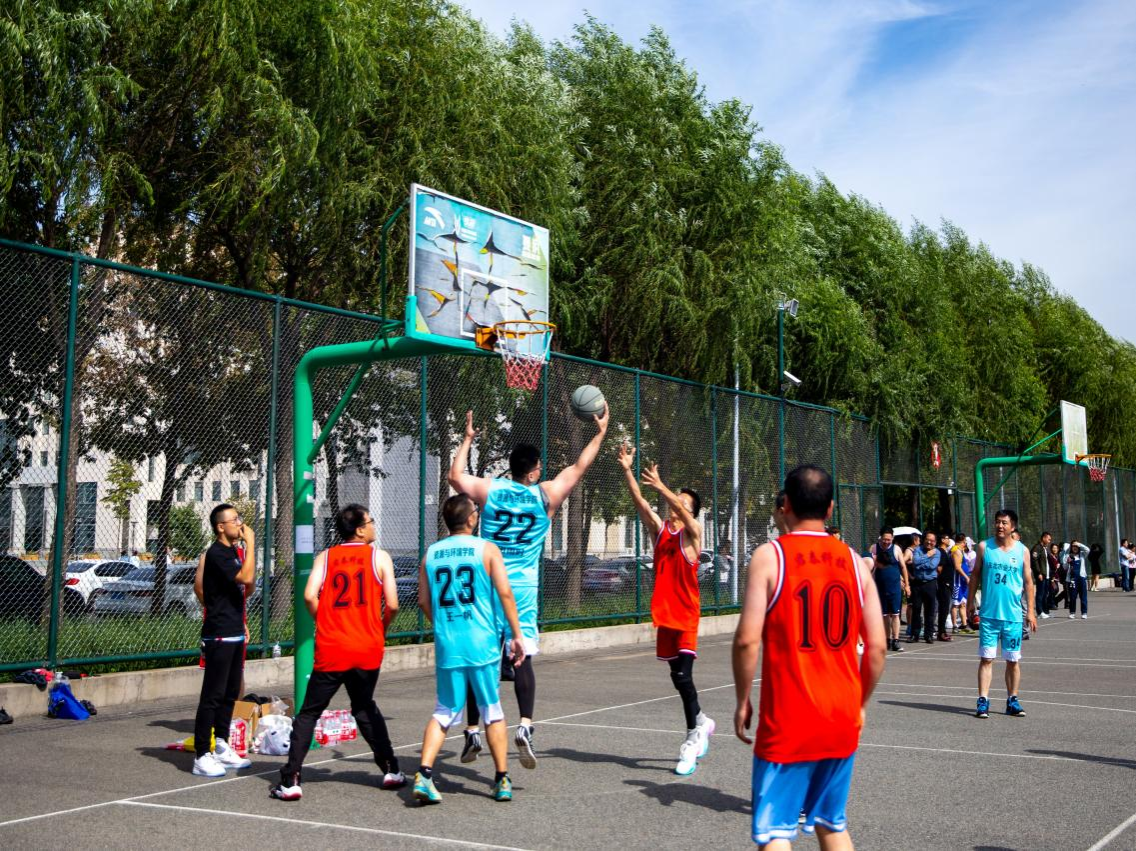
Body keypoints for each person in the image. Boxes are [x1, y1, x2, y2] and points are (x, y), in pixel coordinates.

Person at [732, 465, 886, 849]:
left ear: (785, 504)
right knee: (832, 824)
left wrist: (742, 700)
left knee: (775, 833)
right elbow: (877, 647)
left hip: (788, 720)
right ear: (831, 508)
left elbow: (747, 640)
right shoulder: (855, 562)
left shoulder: (770, 557)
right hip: (841, 716)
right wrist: (860, 704)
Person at [449, 405, 608, 769]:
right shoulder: (544, 495)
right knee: (523, 655)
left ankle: (472, 730)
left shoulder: (491, 489)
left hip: (488, 585)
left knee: (480, 658)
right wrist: (600, 432)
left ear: (512, 467)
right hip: (521, 589)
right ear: (534, 470)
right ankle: (524, 725)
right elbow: (579, 467)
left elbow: (455, 476)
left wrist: (468, 438)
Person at [270, 504, 402, 801]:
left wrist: (326, 619)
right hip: (366, 645)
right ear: (360, 529)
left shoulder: (326, 557)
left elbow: (308, 595)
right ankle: (391, 769)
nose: (373, 525)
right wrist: (380, 627)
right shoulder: (379, 557)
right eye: (370, 521)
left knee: (309, 713)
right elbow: (393, 605)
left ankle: (291, 779)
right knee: (364, 707)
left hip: (333, 646)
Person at [413, 494, 526, 804]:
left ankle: (424, 773)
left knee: (445, 710)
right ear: (472, 519)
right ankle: (502, 779)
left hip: (448, 643)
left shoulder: (431, 553)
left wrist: (443, 626)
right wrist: (516, 634)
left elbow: (423, 600)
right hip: (482, 642)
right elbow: (505, 592)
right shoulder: (487, 549)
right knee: (491, 709)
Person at [617, 443, 715, 775]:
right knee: (677, 677)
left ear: (691, 512)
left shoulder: (693, 535)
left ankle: (692, 737)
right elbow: (639, 502)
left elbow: (682, 512)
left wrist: (661, 486)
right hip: (666, 615)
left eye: (683, 503)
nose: (676, 505)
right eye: (676, 500)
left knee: (684, 675)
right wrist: (628, 470)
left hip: (687, 615)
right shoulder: (661, 532)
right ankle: (701, 719)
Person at [190, 503, 256, 778]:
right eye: (234, 519)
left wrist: (241, 620)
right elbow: (243, 577)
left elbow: (246, 586)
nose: (240, 523)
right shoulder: (216, 553)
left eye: (240, 519)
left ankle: (221, 744)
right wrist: (252, 543)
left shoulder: (233, 553)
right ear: (220, 527)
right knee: (213, 695)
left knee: (230, 693)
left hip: (234, 629)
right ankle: (201, 754)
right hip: (219, 632)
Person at [966, 508, 1036, 719]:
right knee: (987, 659)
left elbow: (1028, 582)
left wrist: (1031, 612)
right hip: (989, 615)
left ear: (1013, 526)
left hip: (1013, 616)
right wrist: (970, 602)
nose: (1000, 526)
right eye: (997, 522)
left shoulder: (1022, 551)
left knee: (1013, 660)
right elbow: (975, 575)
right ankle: (983, 700)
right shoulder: (984, 547)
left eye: (1004, 522)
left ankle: (1012, 700)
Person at [870, 528, 908, 652]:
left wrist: (907, 584)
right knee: (884, 615)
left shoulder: (896, 549)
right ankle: (887, 640)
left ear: (892, 538)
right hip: (879, 587)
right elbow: (870, 567)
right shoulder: (874, 548)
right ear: (880, 538)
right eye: (884, 539)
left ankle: (896, 640)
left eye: (889, 539)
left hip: (894, 587)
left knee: (895, 614)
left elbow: (903, 567)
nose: (886, 542)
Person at [908, 532, 941, 645]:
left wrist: (919, 565)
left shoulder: (937, 552)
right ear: (924, 540)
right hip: (917, 583)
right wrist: (927, 556)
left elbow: (932, 566)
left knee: (930, 610)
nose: (929, 542)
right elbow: (915, 562)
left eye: (932, 540)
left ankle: (929, 635)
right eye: (927, 539)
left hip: (930, 583)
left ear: (935, 542)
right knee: (916, 609)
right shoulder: (918, 549)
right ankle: (915, 634)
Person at [950, 535, 975, 634]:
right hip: (958, 582)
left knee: (963, 603)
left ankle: (964, 625)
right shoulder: (956, 550)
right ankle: (954, 625)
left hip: (963, 582)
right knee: (956, 604)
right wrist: (966, 577)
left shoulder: (961, 550)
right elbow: (957, 567)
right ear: (963, 541)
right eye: (965, 541)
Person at [935, 533, 954, 641]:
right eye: (947, 538)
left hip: (947, 583)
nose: (949, 540)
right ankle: (941, 632)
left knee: (945, 608)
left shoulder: (945, 552)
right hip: (943, 584)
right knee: (944, 608)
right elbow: (939, 568)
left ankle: (942, 631)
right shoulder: (941, 552)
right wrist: (942, 581)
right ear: (942, 540)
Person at [1031, 532, 1053, 619]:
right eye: (1048, 539)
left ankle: (1045, 611)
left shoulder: (1045, 548)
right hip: (1041, 575)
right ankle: (1039, 612)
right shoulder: (1037, 548)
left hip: (1047, 575)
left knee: (1045, 593)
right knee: (1040, 593)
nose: (1049, 541)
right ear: (1043, 538)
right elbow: (1034, 561)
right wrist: (1038, 573)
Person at [1064, 541, 1088, 618]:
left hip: (1082, 578)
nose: (1075, 548)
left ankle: (1084, 613)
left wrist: (1079, 544)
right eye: (1073, 546)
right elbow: (1064, 567)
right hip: (1072, 579)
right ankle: (1072, 612)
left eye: (1076, 546)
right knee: (1072, 596)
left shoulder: (1082, 554)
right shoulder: (1068, 555)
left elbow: (1088, 550)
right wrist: (1067, 562)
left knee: (1083, 596)